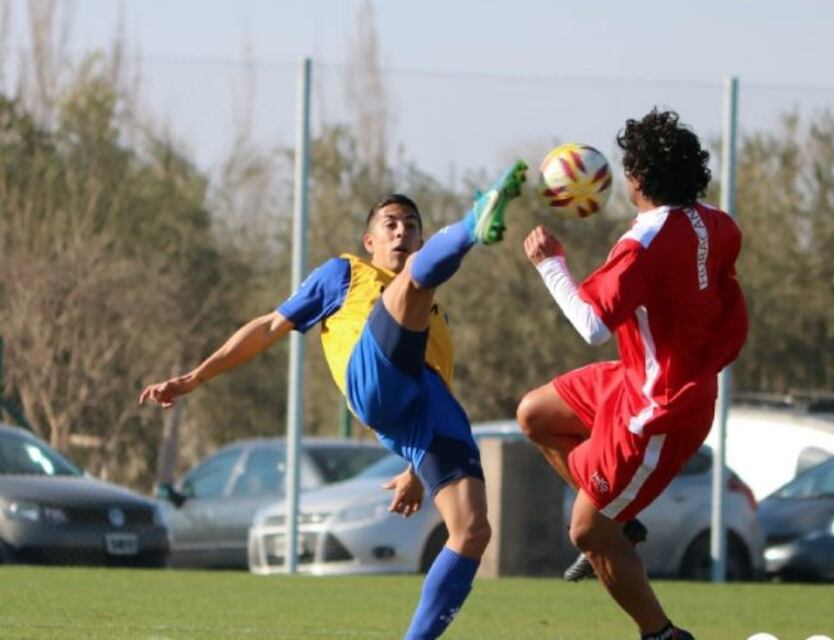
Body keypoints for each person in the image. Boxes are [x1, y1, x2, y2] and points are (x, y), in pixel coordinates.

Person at [139, 161, 528, 640]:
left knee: (472, 532)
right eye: (390, 225)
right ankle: (474, 221)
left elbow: (437, 387)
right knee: (413, 285)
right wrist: (196, 377)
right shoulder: (345, 273)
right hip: (374, 381)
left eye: (411, 226)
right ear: (370, 241)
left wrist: (413, 469)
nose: (401, 232)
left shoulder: (435, 318)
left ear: (423, 242)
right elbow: (266, 328)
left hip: (424, 407)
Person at [517, 108, 748, 640]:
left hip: (660, 409)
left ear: (637, 179)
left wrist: (550, 263)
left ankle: (663, 635)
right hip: (633, 379)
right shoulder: (716, 223)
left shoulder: (641, 244)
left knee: (587, 532)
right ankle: (620, 520)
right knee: (534, 414)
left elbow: (593, 325)